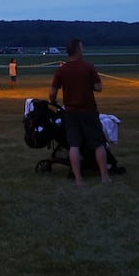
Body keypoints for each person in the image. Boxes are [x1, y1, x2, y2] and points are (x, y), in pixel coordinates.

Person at [48, 39, 108, 185]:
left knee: (73, 145)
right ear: (78, 50)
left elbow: (52, 92)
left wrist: (54, 101)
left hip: (70, 112)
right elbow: (98, 87)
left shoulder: (61, 70)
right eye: (82, 47)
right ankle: (104, 176)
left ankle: (78, 179)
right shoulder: (89, 67)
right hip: (89, 111)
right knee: (98, 144)